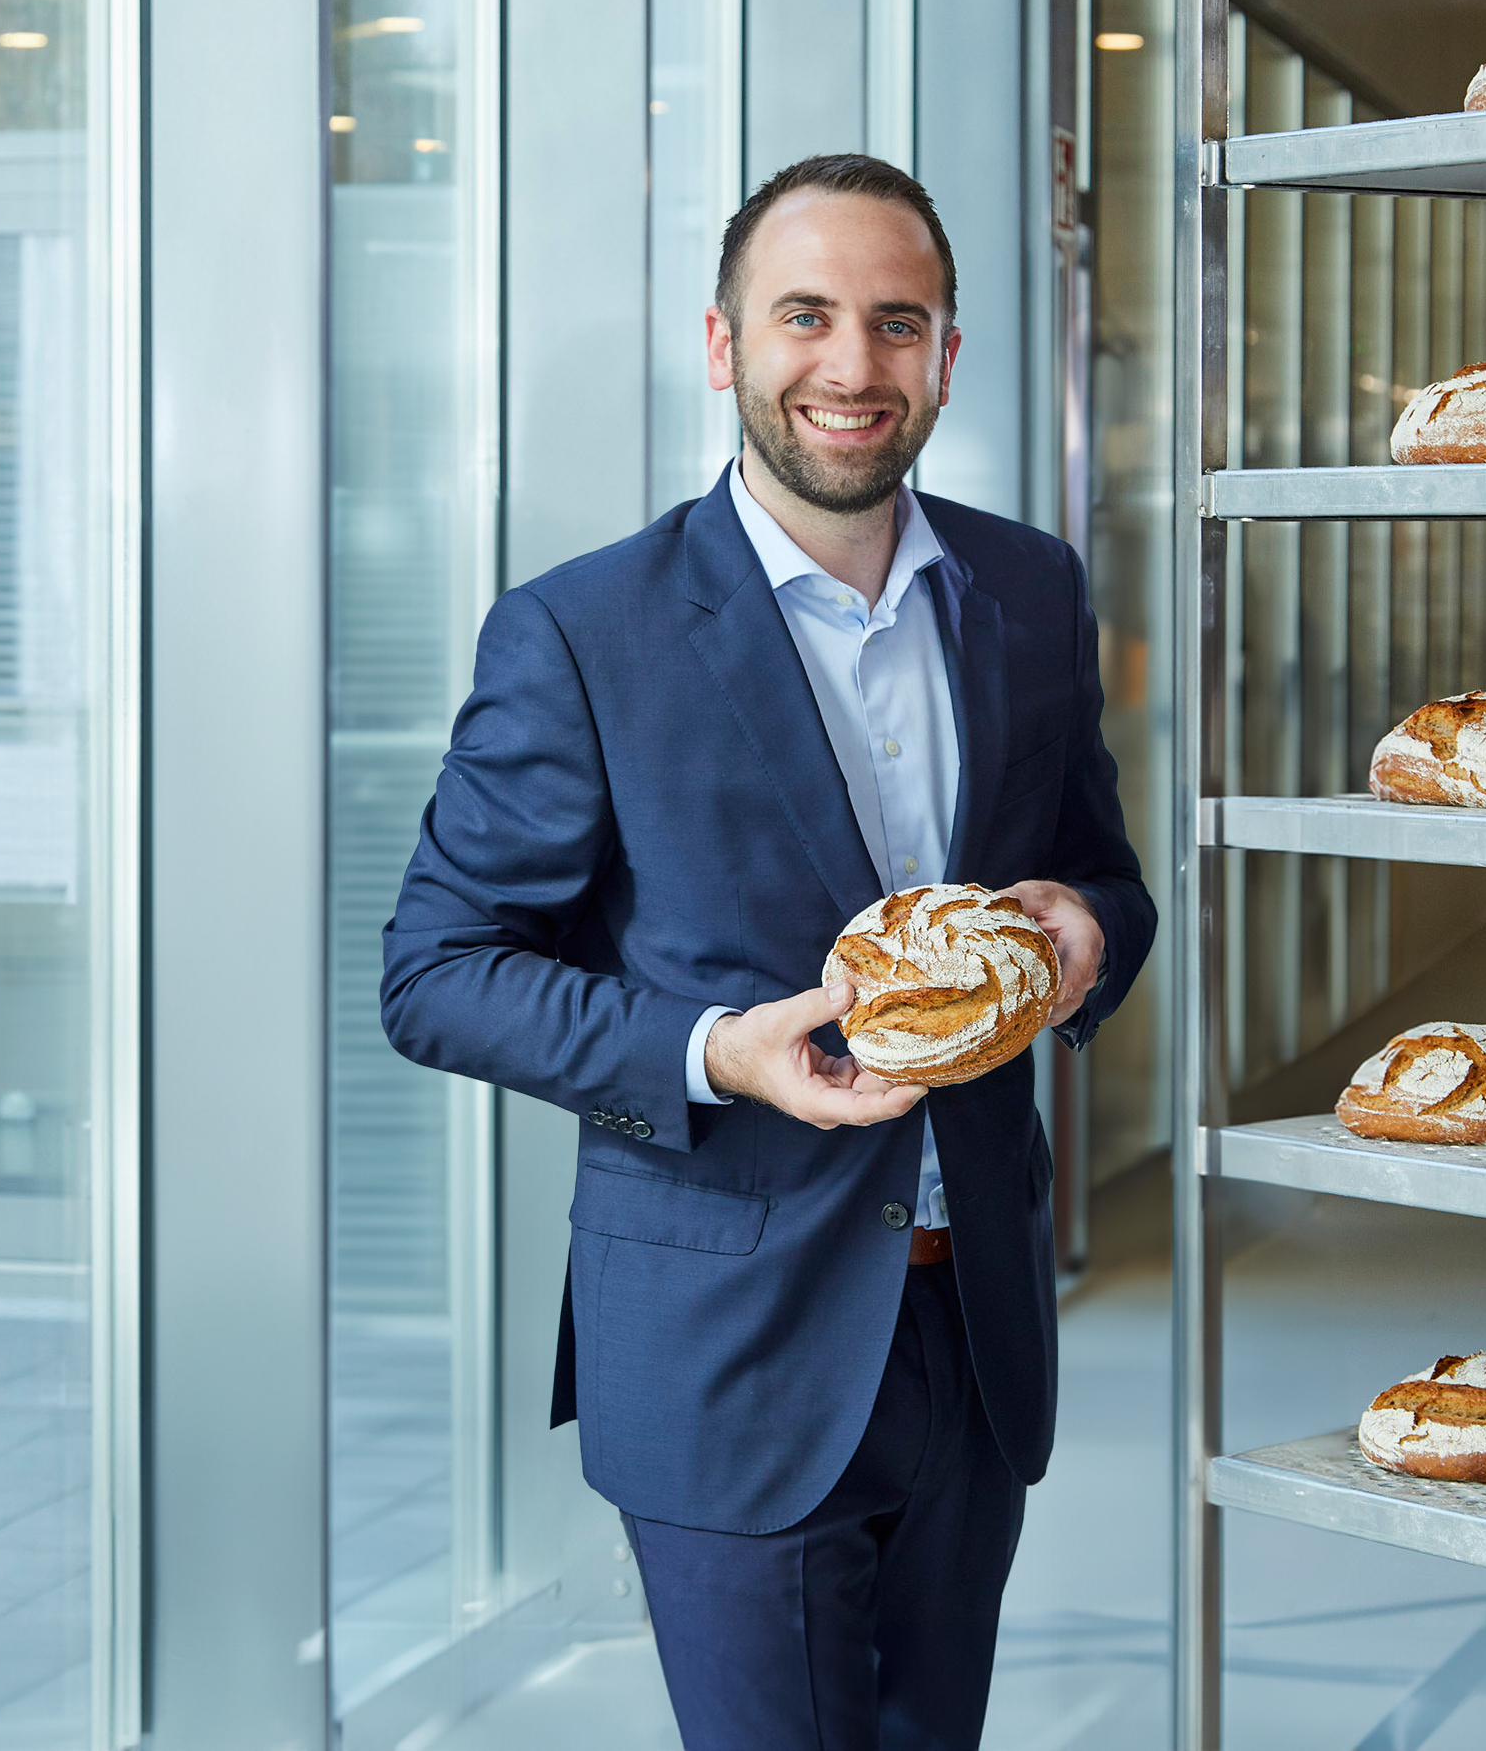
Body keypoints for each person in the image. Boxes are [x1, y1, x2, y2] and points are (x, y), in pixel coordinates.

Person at [380, 153, 1155, 1751]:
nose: (852, 366)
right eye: (804, 316)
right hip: (729, 1348)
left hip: (972, 1322)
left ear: (947, 354)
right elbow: (436, 970)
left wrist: (1084, 934)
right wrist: (711, 1050)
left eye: (897, 321)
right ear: (725, 344)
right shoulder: (583, 632)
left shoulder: (1025, 586)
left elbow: (1097, 873)